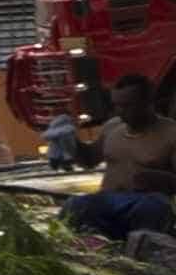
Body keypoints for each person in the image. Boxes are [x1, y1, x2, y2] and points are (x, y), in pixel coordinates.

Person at [65, 69, 176, 242]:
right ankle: (93, 247)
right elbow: (89, 160)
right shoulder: (111, 127)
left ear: (148, 102)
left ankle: (145, 251)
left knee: (154, 207)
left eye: (127, 105)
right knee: (75, 205)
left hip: (145, 203)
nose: (120, 111)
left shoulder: (171, 134)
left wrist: (161, 179)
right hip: (108, 200)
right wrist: (69, 141)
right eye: (116, 105)